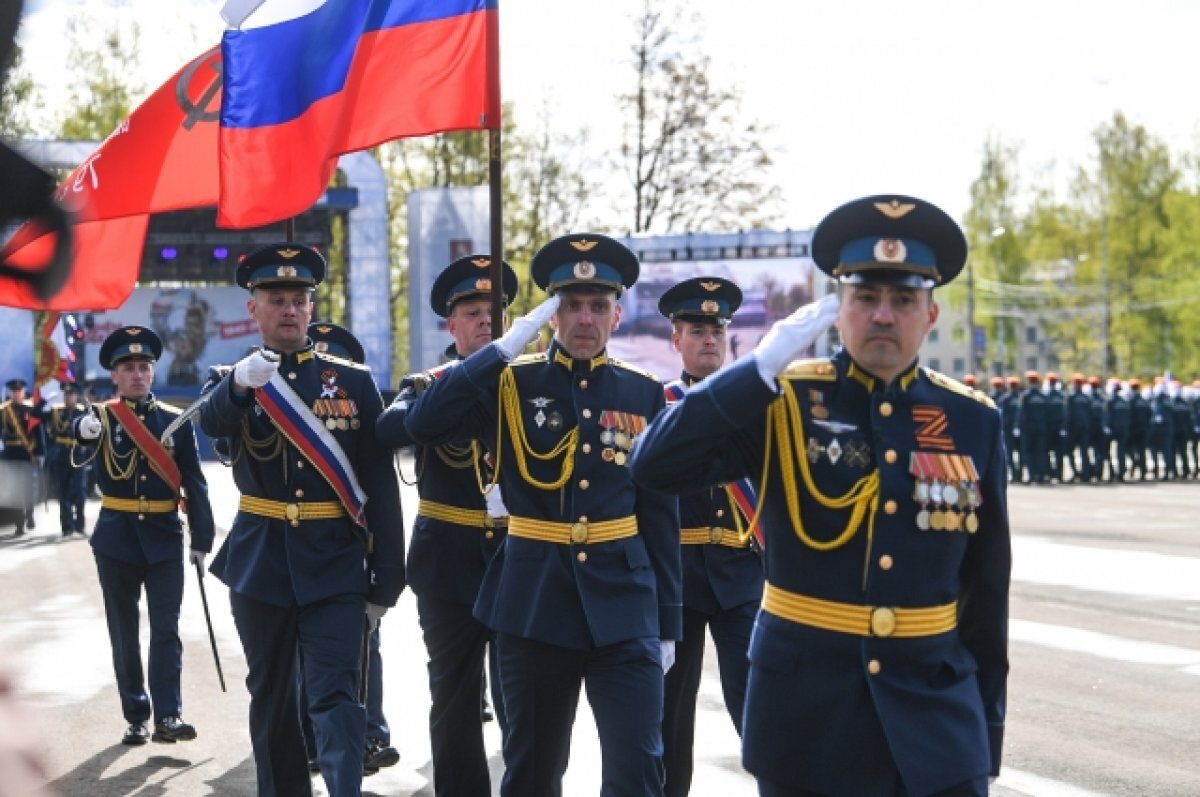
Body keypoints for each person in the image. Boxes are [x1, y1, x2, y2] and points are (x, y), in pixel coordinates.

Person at [630, 194, 1011, 797]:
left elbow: (986, 598)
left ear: (931, 315)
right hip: (808, 721)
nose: (883, 315)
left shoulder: (973, 421)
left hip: (938, 721)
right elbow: (654, 464)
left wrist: (984, 735)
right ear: (839, 311)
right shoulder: (782, 400)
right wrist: (752, 372)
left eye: (903, 300)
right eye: (865, 298)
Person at [404, 233, 682, 796]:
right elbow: (423, 424)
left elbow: (660, 515)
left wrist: (669, 623)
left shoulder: (644, 395)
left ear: (617, 315)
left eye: (597, 305)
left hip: (625, 610)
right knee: (533, 771)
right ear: (552, 315)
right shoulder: (509, 381)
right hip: (533, 606)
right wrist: (494, 354)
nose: (584, 317)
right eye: (571, 305)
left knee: (638, 768)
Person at [198, 244, 405, 797]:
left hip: (334, 560)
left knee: (335, 693)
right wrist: (240, 385)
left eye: (299, 299)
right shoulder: (230, 379)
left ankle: (344, 789)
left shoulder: (354, 383)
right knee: (272, 696)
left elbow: (380, 485)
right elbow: (212, 427)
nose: (289, 309)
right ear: (254, 309)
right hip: (261, 561)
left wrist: (389, 574)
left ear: (312, 308)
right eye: (276, 299)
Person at [376, 255, 518, 796]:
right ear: (451, 325)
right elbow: (391, 429)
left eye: (495, 313)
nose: (486, 321)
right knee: (456, 699)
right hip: (449, 565)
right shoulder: (428, 384)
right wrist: (461, 382)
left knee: (521, 696)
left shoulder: (528, 387)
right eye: (474, 312)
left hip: (516, 561)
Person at [72, 326, 215, 745]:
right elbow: (77, 451)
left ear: (153, 372)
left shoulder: (174, 420)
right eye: (128, 368)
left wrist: (201, 540)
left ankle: (169, 716)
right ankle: (136, 713)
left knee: (166, 629)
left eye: (144, 367)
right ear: (114, 376)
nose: (137, 374)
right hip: (116, 539)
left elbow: (195, 483)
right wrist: (82, 431)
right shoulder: (99, 418)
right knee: (124, 630)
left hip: (165, 537)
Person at [656, 277, 763, 797]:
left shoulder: (754, 406)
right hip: (679, 579)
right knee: (670, 716)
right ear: (675, 339)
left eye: (717, 330)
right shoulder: (659, 404)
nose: (710, 340)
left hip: (742, 574)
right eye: (697, 331)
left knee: (762, 705)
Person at [299, 321, 400, 778]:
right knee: (310, 660)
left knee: (364, 646)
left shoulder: (358, 395)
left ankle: (372, 731)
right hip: (298, 548)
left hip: (350, 545)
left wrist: (386, 568)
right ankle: (314, 736)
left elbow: (379, 482)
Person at [40, 382, 89, 537]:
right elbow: (36, 415)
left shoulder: (83, 412)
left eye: (72, 394)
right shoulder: (56, 411)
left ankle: (79, 525)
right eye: (67, 394)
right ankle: (67, 526)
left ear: (77, 396)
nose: (69, 397)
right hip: (61, 456)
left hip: (78, 455)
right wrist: (44, 401)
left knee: (79, 491)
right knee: (63, 492)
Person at [1, 378, 42, 535]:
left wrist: (40, 453)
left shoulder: (31, 409)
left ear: (24, 392)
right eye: (14, 391)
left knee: (28, 488)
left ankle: (30, 514)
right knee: (13, 490)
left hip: (27, 454)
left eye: (19, 391)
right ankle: (19, 523)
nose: (17, 394)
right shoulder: (4, 410)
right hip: (10, 454)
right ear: (10, 392)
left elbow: (38, 433)